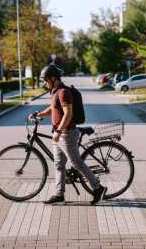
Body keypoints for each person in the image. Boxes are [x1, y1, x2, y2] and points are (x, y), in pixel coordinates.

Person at [30, 63, 106, 205]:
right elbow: (53, 109)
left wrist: (59, 130)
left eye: (45, 80)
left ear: (53, 78)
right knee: (59, 165)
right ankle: (59, 194)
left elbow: (68, 113)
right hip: (58, 134)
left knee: (76, 163)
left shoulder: (64, 92)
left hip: (67, 133)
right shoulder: (55, 92)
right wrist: (38, 114)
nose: (44, 83)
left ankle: (98, 187)